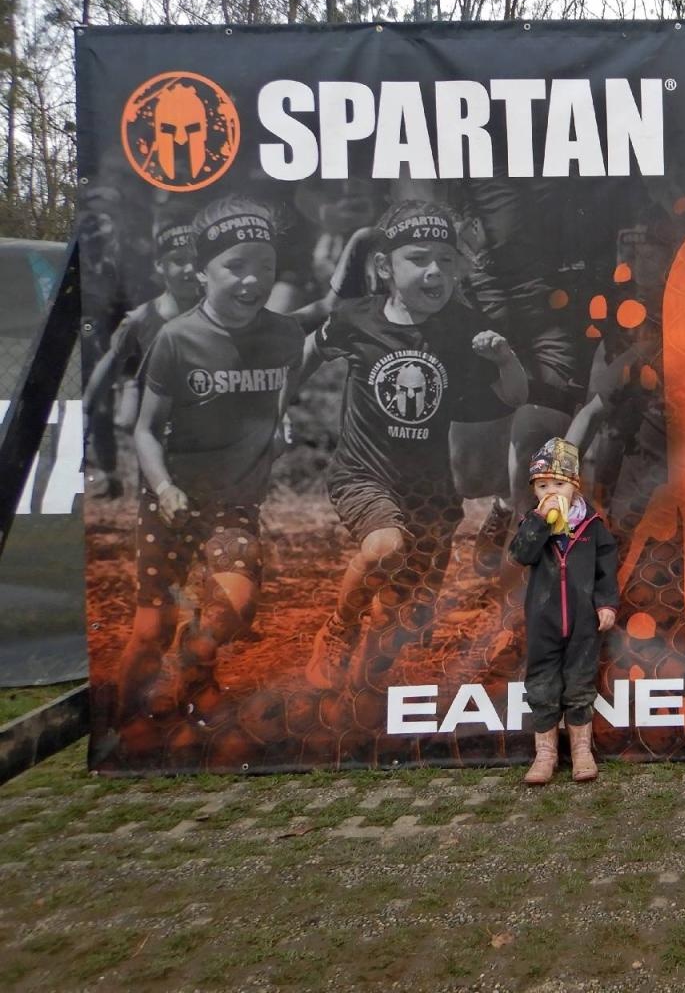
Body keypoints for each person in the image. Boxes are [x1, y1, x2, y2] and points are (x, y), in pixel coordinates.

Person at [297, 201, 528, 692]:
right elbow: (312, 350)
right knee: (385, 547)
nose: (434, 271)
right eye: (418, 258)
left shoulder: (464, 329)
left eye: (445, 260)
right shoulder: (356, 318)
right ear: (385, 267)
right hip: (364, 474)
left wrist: (506, 359)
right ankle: (339, 628)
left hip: (431, 493)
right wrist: (278, 407)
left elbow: (513, 397)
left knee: (405, 617)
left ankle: (359, 702)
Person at [115, 198, 303, 718]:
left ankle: (195, 670)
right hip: (170, 504)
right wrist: (165, 487)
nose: (252, 280)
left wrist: (280, 427)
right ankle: (127, 725)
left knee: (236, 608)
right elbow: (146, 430)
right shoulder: (177, 339)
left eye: (263, 266)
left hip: (235, 503)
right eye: (235, 266)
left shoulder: (285, 335)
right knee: (150, 627)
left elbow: (277, 400)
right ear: (202, 272)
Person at [510, 437, 620, 785]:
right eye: (542, 486)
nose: (549, 491)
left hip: (583, 620)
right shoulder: (532, 522)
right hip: (544, 620)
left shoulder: (593, 526)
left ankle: (581, 752)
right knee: (541, 684)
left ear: (574, 486)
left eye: (558, 484)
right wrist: (539, 523)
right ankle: (545, 754)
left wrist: (605, 604)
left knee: (579, 682)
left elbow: (606, 570)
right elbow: (521, 554)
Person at [82, 219, 201, 496]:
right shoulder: (143, 318)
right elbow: (112, 360)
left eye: (195, 261)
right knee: (154, 496)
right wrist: (87, 406)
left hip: (206, 423)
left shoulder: (221, 313)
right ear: (160, 266)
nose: (189, 269)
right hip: (157, 420)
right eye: (177, 260)